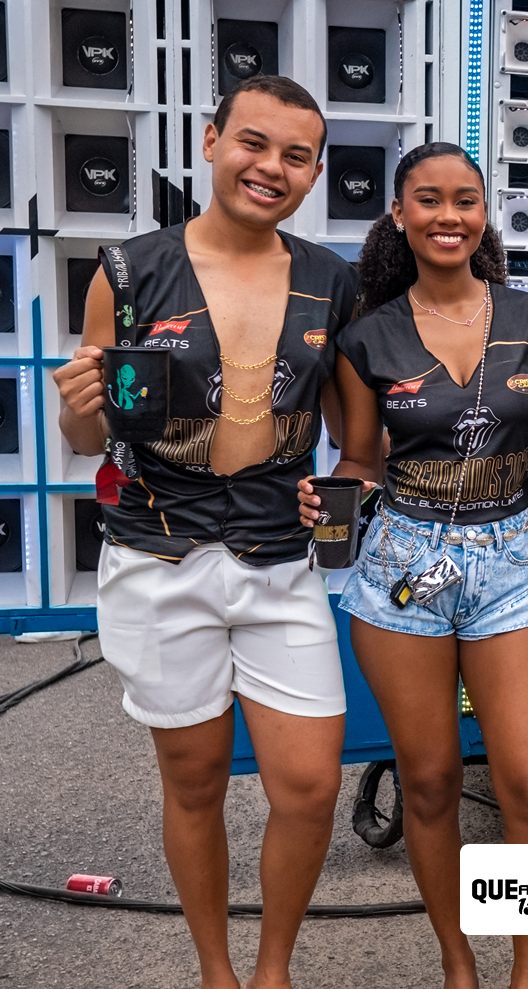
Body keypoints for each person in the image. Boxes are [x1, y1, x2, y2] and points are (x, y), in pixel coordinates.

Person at [51, 75, 357, 989]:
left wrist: (341, 491)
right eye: (253, 143)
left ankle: (274, 970)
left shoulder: (331, 281)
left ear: (314, 173)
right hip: (158, 554)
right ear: (213, 140)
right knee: (195, 782)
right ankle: (217, 971)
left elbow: (356, 442)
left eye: (296, 156)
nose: (271, 168)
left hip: (278, 558)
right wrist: (75, 404)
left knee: (311, 784)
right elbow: (87, 436)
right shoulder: (129, 271)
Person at [296, 142, 528, 989]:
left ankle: (527, 973)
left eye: (466, 200)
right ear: (400, 214)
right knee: (430, 780)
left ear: (484, 213)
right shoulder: (366, 337)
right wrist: (326, 500)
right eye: (429, 199)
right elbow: (360, 457)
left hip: (510, 564)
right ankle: (459, 962)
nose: (449, 216)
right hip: (403, 568)